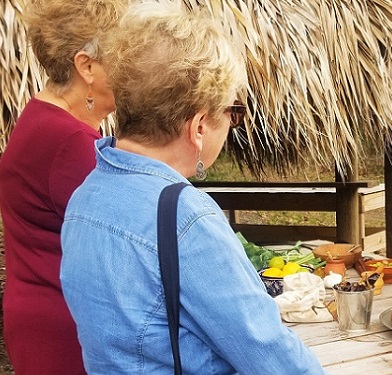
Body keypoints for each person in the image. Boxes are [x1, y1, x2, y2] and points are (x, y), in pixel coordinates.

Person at [59, 2, 325, 373]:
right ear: (199, 126)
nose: (233, 123)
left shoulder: (86, 196)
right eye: (232, 111)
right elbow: (268, 352)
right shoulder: (185, 217)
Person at [0, 0, 126, 373]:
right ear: (86, 66)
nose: (133, 70)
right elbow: (122, 245)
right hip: (66, 331)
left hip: (38, 312)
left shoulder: (43, 115)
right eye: (124, 57)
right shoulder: (70, 142)